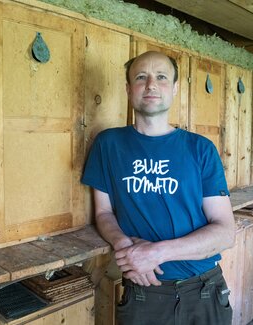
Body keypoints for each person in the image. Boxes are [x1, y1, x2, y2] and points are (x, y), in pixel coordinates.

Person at [82, 51, 236, 325]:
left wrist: (155, 253)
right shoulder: (108, 144)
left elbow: (225, 233)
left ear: (175, 88)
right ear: (129, 89)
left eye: (161, 77)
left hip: (203, 289)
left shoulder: (200, 149)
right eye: (141, 77)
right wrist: (126, 248)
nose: (151, 84)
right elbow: (104, 213)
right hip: (144, 292)